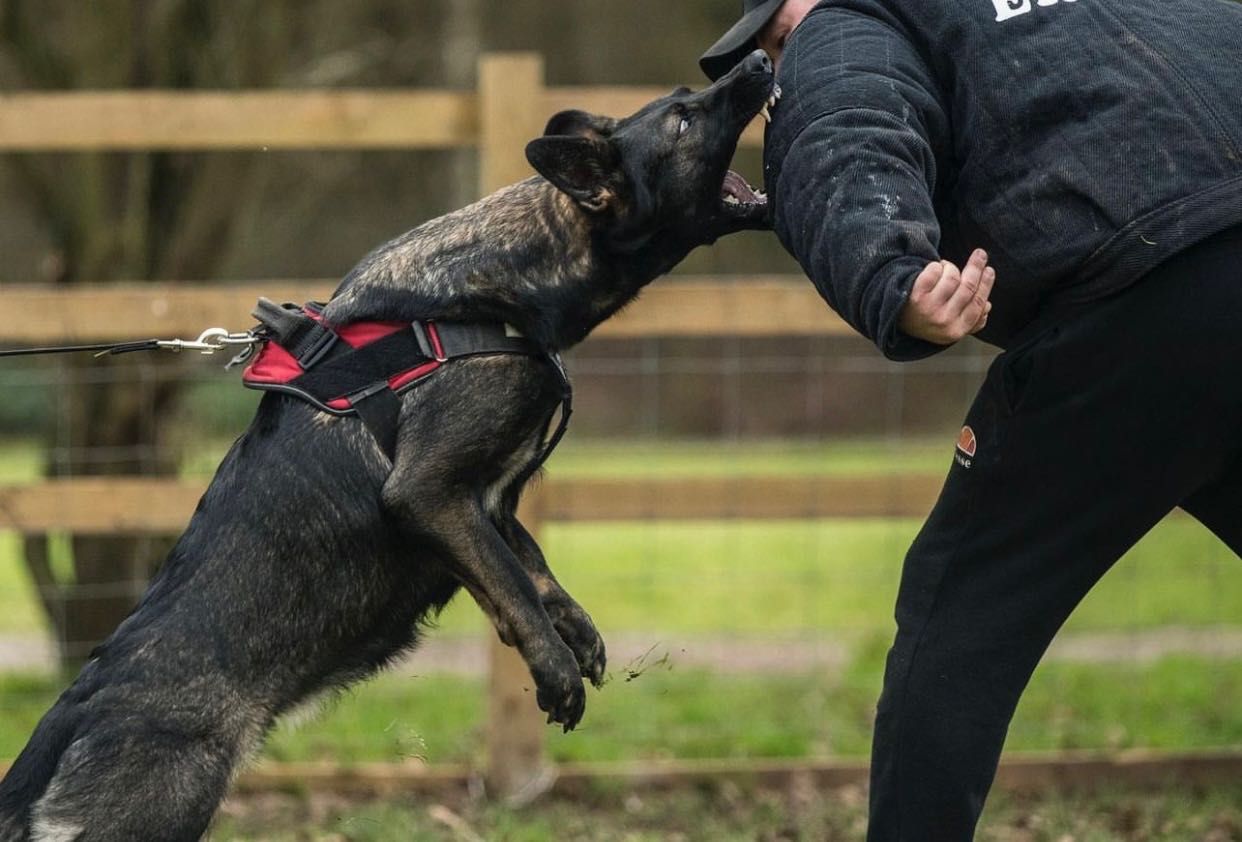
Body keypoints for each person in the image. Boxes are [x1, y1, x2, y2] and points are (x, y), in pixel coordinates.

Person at [701, 0, 1242, 839]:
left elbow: (844, 125)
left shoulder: (847, 19)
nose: (781, 60)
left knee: (961, 615)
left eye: (775, 38)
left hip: (1137, 304)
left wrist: (889, 274)